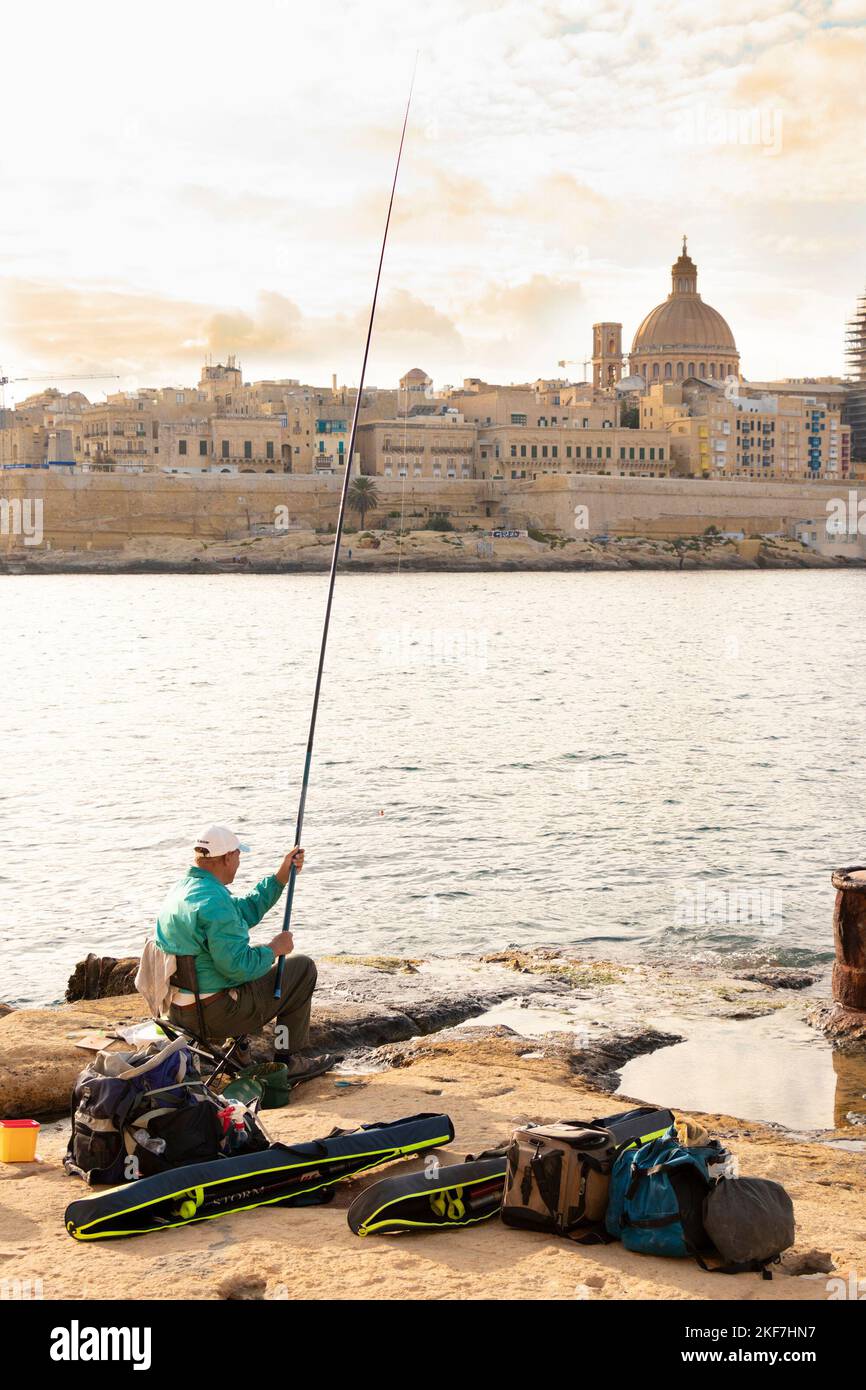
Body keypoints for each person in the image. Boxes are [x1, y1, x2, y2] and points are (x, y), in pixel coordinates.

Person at [156, 824, 338, 1081]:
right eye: (239, 855)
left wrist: (280, 877)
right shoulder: (215, 902)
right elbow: (238, 966)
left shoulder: (185, 891)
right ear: (228, 857)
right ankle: (287, 1060)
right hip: (214, 1015)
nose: (239, 862)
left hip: (179, 1011)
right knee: (301, 968)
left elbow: (242, 911)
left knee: (244, 966)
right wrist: (274, 949)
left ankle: (238, 1050)